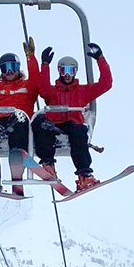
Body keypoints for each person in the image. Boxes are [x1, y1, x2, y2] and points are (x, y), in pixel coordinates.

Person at [33, 42, 113, 192]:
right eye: (64, 71)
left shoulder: (83, 91)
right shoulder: (52, 91)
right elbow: (42, 89)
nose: (67, 75)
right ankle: (48, 164)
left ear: (75, 72)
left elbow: (106, 84)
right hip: (54, 123)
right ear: (59, 71)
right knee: (41, 123)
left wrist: (100, 59)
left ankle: (85, 175)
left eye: (71, 70)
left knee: (79, 131)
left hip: (72, 123)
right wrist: (45, 66)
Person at [0, 37, 40, 194]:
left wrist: (31, 57)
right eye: (5, 68)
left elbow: (36, 79)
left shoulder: (27, 86)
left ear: (19, 68)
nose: (9, 72)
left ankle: (17, 159)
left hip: (17, 120)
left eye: (13, 67)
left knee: (19, 118)